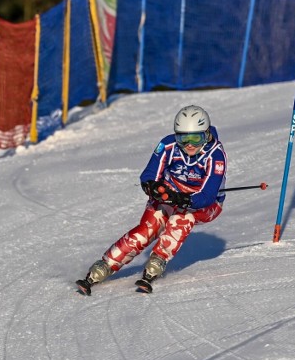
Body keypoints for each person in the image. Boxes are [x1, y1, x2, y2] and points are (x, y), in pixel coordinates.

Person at [76, 105, 227, 295]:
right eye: (183, 138)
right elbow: (149, 174)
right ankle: (104, 265)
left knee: (182, 218)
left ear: (205, 135)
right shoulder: (168, 145)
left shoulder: (216, 155)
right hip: (171, 193)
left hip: (206, 204)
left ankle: (157, 261)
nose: (189, 144)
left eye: (195, 138)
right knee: (147, 230)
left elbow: (207, 195)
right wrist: (152, 187)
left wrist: (183, 199)